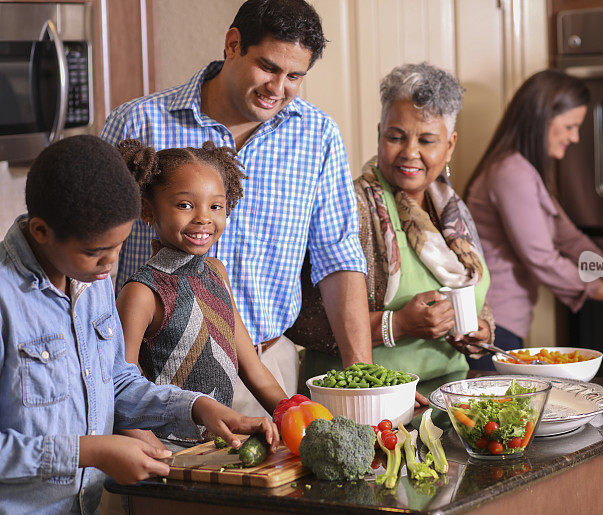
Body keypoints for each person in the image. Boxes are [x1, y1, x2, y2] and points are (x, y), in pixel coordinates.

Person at [99, 0, 371, 410]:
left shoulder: (318, 136)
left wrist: (363, 384)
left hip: (264, 370)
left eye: (295, 76)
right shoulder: (138, 123)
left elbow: (338, 257)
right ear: (232, 44)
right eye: (268, 67)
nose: (278, 88)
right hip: (146, 373)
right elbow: (91, 250)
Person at [0, 135, 276, 515]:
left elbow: (115, 381)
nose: (109, 265)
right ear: (41, 231)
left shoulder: (89, 281)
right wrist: (88, 451)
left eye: (119, 246)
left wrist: (195, 407)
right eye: (97, 252)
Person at [288, 63, 494, 393]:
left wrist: (481, 331)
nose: (410, 153)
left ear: (450, 145)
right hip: (363, 400)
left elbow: (477, 298)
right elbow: (299, 323)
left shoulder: (452, 209)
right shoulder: (348, 205)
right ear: (379, 132)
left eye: (427, 140)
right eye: (396, 137)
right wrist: (397, 324)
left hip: (448, 399)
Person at [465, 70, 603, 360]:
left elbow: (572, 241)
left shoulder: (525, 171)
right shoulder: (511, 173)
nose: (575, 137)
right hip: (491, 325)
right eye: (569, 126)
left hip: (502, 323)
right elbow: (543, 259)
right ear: (541, 119)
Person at [115, 139, 285, 449]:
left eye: (215, 206)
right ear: (148, 210)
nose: (203, 217)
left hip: (220, 447)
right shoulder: (141, 291)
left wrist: (294, 413)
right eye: (185, 205)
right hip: (166, 452)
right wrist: (157, 456)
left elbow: (253, 368)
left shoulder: (216, 273)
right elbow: (121, 390)